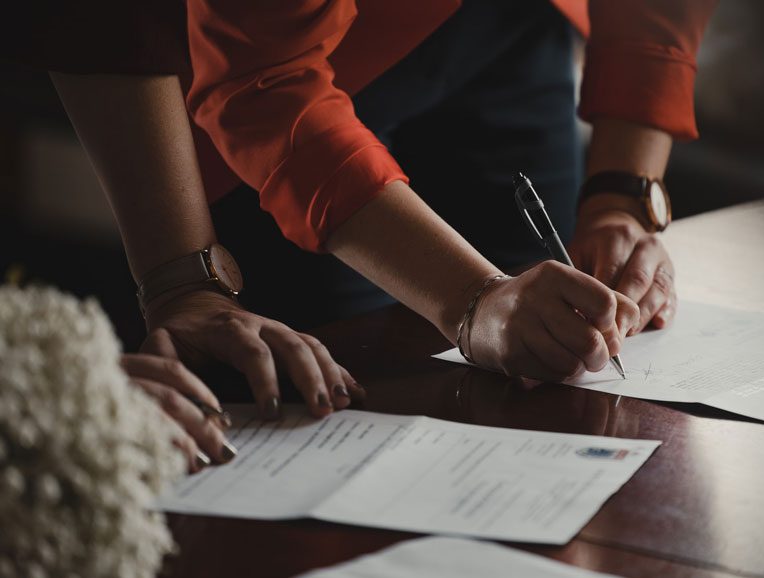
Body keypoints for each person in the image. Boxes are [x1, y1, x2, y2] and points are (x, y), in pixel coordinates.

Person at [14, 0, 716, 424]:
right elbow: (267, 83)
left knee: (548, 382)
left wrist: (623, 196)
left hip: (513, 28)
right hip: (271, 73)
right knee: (326, 407)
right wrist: (473, 300)